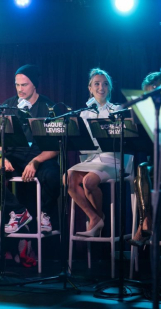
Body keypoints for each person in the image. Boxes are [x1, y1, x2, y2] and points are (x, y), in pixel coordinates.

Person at [0, 64, 60, 235]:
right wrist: (1, 158)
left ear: (34, 84)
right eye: (17, 85)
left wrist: (36, 161)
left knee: (53, 175)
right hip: (14, 156)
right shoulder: (8, 105)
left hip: (40, 157)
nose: (20, 89)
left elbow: (56, 147)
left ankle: (45, 215)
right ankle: (19, 212)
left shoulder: (48, 107)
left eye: (24, 85)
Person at [67, 68, 120, 237]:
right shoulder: (83, 113)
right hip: (90, 159)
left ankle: (98, 219)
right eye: (96, 84)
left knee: (89, 181)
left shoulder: (117, 110)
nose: (101, 87)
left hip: (112, 159)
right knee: (67, 178)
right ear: (90, 88)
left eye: (105, 84)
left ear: (110, 88)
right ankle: (95, 217)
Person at [128, 72, 161, 246]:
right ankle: (146, 222)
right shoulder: (148, 112)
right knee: (142, 169)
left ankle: (144, 226)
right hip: (157, 163)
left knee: (149, 173)